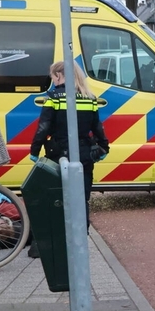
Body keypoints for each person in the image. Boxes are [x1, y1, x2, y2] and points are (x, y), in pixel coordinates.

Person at [29, 61, 109, 231]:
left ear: (59, 75)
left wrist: (34, 151)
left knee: (59, 196)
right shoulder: (90, 98)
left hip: (59, 155)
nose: (54, 82)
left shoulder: (53, 98)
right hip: (84, 154)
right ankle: (82, 234)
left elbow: (43, 128)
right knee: (82, 197)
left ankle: (61, 236)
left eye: (53, 78)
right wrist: (103, 148)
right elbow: (97, 127)